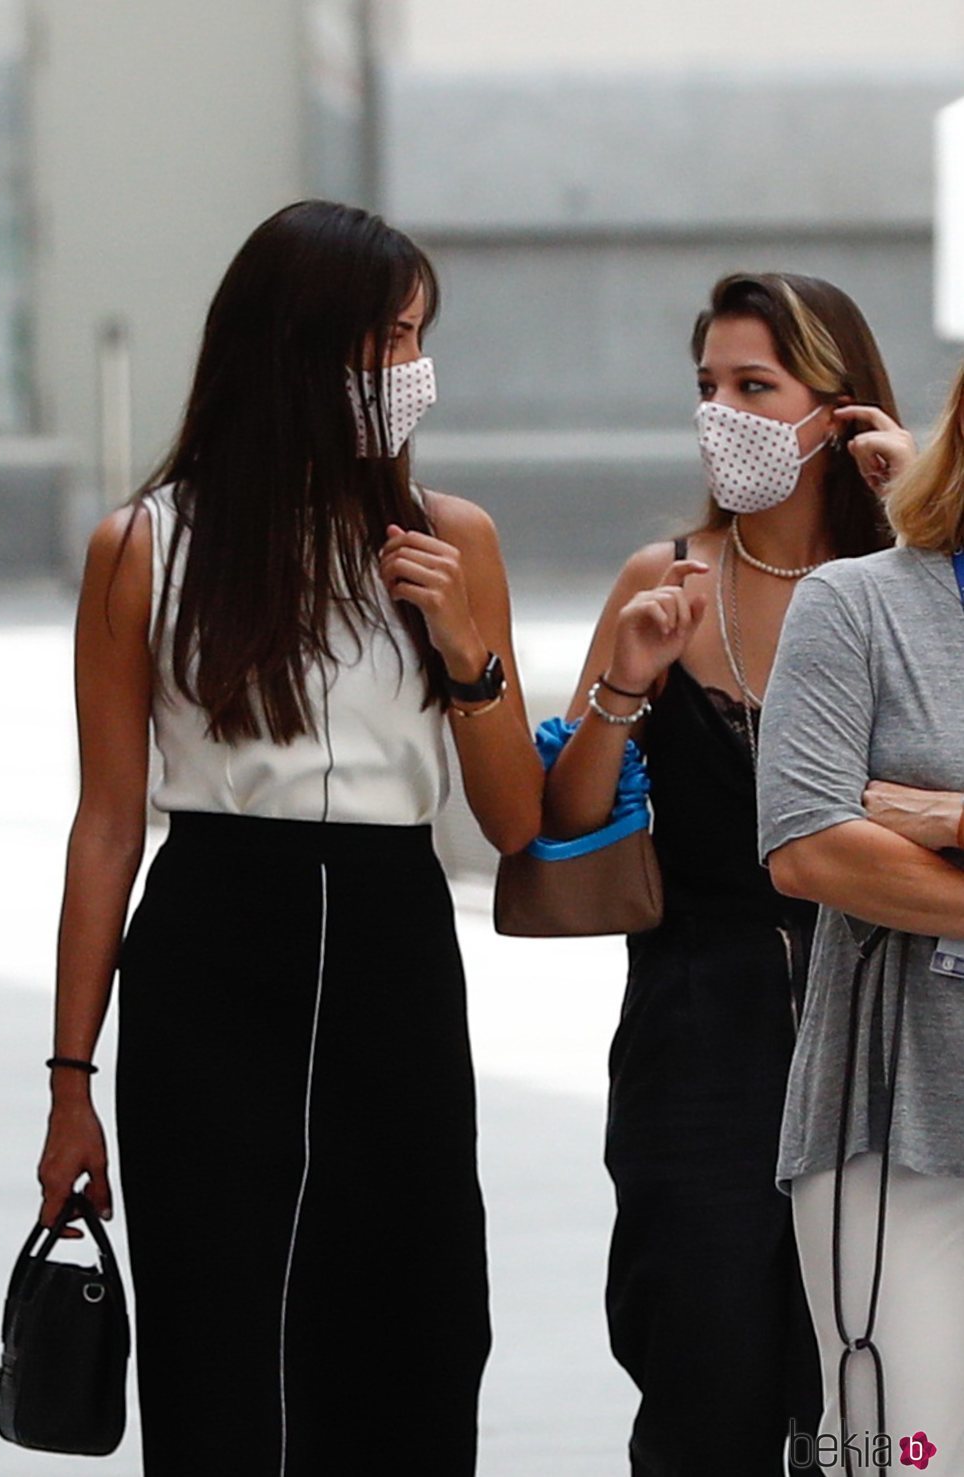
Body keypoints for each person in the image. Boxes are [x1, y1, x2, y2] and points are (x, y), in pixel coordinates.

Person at [35, 198, 543, 1477]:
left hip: (391, 940)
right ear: (294, 346)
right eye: (382, 338)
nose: (406, 370)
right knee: (220, 1332)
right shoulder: (144, 546)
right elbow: (106, 824)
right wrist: (68, 1084)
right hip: (211, 938)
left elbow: (513, 821)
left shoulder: (452, 538)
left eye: (418, 336)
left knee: (418, 1318)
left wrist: (467, 652)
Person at [540, 272, 913, 1476]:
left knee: (888, 1382)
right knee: (701, 1374)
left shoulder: (916, 585)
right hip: (696, 1034)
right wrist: (622, 687)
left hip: (888, 1026)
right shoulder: (664, 578)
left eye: (755, 385)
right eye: (706, 386)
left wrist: (923, 514)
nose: (723, 413)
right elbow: (565, 825)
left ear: (837, 410)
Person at [758, 360, 964, 1473]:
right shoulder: (856, 604)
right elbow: (806, 847)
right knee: (903, 1458)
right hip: (893, 1130)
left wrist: (942, 816)